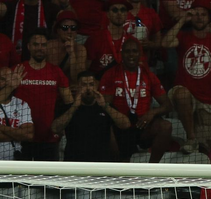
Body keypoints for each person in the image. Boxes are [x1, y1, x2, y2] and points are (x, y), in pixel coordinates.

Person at [163, 0, 211, 153]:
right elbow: (165, 43)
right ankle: (191, 138)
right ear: (191, 17)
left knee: (205, 148)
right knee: (181, 94)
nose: (199, 17)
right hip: (186, 94)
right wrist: (182, 20)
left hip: (208, 99)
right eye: (196, 14)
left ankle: (196, 143)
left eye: (203, 14)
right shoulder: (183, 37)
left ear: (209, 18)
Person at [99, 37, 172, 163]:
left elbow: (168, 105)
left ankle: (152, 168)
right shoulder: (111, 74)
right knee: (106, 127)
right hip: (120, 127)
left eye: (134, 51)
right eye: (127, 51)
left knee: (166, 126)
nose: (131, 55)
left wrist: (152, 112)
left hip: (142, 125)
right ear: (121, 54)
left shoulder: (148, 75)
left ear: (140, 54)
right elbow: (105, 107)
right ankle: (118, 164)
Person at [14, 29, 73, 161]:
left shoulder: (56, 72)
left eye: (43, 45)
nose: (40, 48)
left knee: (49, 175)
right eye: (36, 45)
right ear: (29, 46)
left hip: (49, 139)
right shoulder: (18, 70)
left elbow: (69, 102)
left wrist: (61, 125)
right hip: (22, 137)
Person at [52, 70, 130, 162]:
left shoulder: (105, 107)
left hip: (100, 163)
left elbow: (126, 124)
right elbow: (55, 128)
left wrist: (105, 106)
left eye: (91, 84)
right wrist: (74, 107)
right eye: (84, 85)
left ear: (96, 86)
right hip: (74, 162)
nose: (88, 88)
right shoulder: (68, 108)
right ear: (78, 87)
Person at [47, 10, 87, 85]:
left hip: (70, 88)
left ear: (76, 31)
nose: (69, 31)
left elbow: (78, 79)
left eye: (73, 28)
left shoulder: (80, 49)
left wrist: (72, 54)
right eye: (65, 28)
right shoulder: (48, 46)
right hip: (50, 86)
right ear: (58, 30)